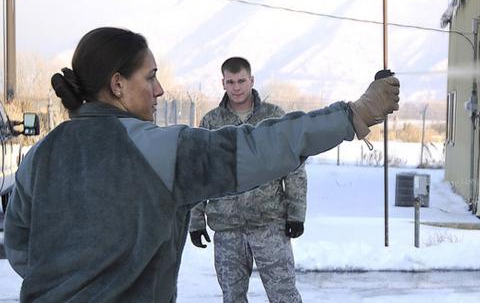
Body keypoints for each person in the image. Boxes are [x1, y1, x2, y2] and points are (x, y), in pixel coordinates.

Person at [3, 27, 399, 303]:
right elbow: (262, 145)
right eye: (151, 76)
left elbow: (21, 249)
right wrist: (354, 114)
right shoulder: (160, 149)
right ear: (118, 84)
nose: (159, 90)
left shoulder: (40, 155)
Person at [189, 57, 307, 303]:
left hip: (269, 223)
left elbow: (294, 166)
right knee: (232, 297)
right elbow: (200, 171)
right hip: (227, 227)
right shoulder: (212, 122)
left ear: (251, 80)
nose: (236, 87)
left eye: (241, 80)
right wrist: (196, 220)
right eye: (230, 82)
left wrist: (296, 214)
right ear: (223, 83)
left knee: (284, 295)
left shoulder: (274, 117)